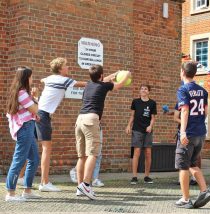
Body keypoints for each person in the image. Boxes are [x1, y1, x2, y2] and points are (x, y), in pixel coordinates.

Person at [76, 66, 131, 199]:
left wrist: (115, 73)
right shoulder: (104, 86)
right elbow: (119, 85)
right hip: (91, 120)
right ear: (101, 75)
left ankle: (80, 187)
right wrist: (127, 74)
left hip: (80, 120)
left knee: (82, 156)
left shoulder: (89, 84)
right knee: (93, 154)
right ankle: (86, 185)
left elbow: (103, 80)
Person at [36, 57, 86, 192]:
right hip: (43, 115)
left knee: (30, 147)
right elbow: (86, 84)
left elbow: (43, 80)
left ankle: (22, 177)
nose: (68, 67)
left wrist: (44, 81)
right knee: (47, 148)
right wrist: (104, 81)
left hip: (38, 113)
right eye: (66, 65)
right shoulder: (63, 80)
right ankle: (44, 183)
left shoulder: (50, 78)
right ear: (60, 69)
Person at [175, 61, 210, 209]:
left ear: (183, 73)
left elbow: (184, 110)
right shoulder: (203, 91)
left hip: (189, 133)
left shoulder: (183, 90)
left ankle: (185, 199)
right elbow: (205, 112)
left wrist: (183, 131)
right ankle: (204, 190)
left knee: (183, 166)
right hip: (200, 133)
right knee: (192, 163)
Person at [5, 67, 41, 201]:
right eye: (31, 77)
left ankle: (27, 190)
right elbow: (36, 109)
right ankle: (10, 193)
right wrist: (36, 97)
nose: (32, 79)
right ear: (26, 78)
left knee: (34, 159)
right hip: (25, 128)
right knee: (19, 159)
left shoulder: (22, 93)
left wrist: (34, 98)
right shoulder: (22, 93)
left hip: (28, 127)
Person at [126, 85, 157, 185]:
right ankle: (134, 176)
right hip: (137, 130)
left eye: (145, 89)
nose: (143, 90)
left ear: (148, 92)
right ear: (140, 91)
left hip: (147, 130)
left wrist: (150, 126)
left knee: (148, 153)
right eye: (142, 89)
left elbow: (152, 118)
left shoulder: (152, 103)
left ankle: (146, 176)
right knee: (137, 152)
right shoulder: (135, 102)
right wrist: (128, 125)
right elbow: (132, 116)